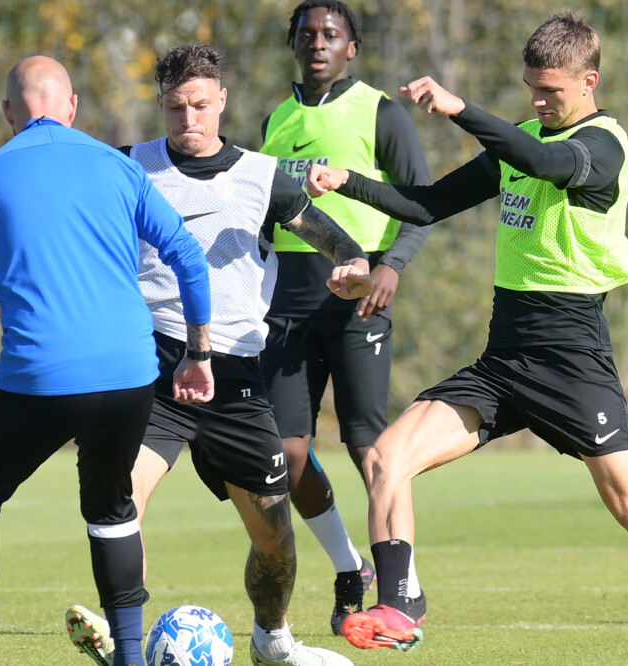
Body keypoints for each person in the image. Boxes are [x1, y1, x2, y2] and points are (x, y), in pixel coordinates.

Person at [305, 11, 628, 665]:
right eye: (531, 90)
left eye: (551, 92)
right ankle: (400, 606)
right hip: (503, 360)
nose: (539, 103)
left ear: (588, 81)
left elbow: (545, 162)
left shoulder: (602, 146)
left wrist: (460, 109)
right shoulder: (522, 136)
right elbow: (428, 204)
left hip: (573, 363)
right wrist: (351, 183)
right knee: (388, 459)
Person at [62, 44, 367, 666]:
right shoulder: (129, 168)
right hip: (151, 363)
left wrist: (354, 268)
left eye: (200, 105)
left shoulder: (261, 177)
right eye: (175, 108)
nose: (188, 120)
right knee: (121, 496)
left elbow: (334, 239)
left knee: (276, 539)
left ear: (222, 101)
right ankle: (127, 642)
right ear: (160, 106)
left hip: (235, 375)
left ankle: (272, 640)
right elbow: (72, 232)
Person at [0, 56, 213, 666]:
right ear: (71, 107)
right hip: (129, 375)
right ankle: (131, 654)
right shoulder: (117, 167)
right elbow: (188, 255)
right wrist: (199, 352)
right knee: (111, 507)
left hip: (37, 379)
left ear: (6, 112)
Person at [259, 0, 433, 636]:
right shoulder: (275, 120)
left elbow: (422, 207)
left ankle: (401, 586)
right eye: (307, 34)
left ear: (352, 48)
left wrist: (391, 268)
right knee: (285, 454)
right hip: (288, 306)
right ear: (293, 44)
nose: (318, 43)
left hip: (360, 296)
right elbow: (266, 213)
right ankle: (348, 566)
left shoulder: (380, 111)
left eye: (331, 34)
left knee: (369, 446)